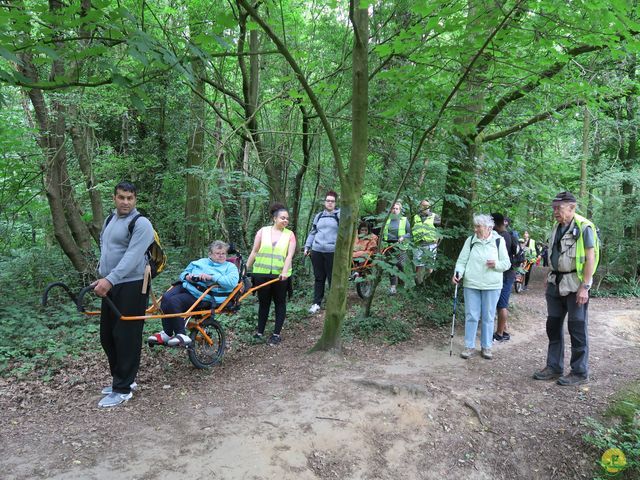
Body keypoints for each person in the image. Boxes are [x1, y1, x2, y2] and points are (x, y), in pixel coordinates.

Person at [94, 181, 155, 408]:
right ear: (114, 198)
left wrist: (109, 279)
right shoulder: (110, 220)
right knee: (107, 336)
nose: (125, 202)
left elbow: (132, 257)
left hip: (132, 284)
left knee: (126, 336)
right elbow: (107, 248)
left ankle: (123, 388)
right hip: (112, 284)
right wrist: (102, 275)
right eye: (121, 197)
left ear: (135, 199)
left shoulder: (142, 223)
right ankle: (121, 379)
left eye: (130, 198)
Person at [533, 191, 598, 386]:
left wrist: (585, 286)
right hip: (555, 283)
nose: (555, 212)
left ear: (572, 208)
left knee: (577, 328)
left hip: (575, 284)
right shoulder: (557, 227)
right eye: (553, 208)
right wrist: (549, 274)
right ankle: (554, 367)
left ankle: (579, 372)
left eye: (558, 208)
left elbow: (590, 258)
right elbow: (555, 253)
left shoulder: (585, 227)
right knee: (552, 326)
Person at [149, 241, 239, 347]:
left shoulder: (230, 267)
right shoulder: (200, 262)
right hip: (188, 285)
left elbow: (232, 283)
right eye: (217, 253)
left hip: (204, 294)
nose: (221, 256)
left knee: (174, 301)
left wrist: (211, 277)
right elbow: (183, 273)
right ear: (210, 254)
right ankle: (167, 334)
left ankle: (181, 334)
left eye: (223, 253)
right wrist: (187, 276)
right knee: (166, 297)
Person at [452, 214, 511, 360]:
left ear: (488, 227)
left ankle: (486, 346)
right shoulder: (471, 241)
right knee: (471, 315)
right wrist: (458, 273)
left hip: (492, 285)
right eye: (475, 226)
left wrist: (496, 265)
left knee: (488, 316)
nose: (475, 229)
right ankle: (469, 346)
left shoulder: (498, 241)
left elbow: (506, 263)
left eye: (478, 226)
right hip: (471, 283)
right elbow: (461, 261)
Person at [246, 203, 297, 345]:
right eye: (282, 218)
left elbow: (289, 255)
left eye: (287, 218)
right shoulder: (263, 231)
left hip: (280, 276)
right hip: (261, 274)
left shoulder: (289, 235)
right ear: (274, 218)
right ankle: (259, 332)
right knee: (264, 303)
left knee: (280, 303)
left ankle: (276, 334)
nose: (285, 221)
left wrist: (285, 272)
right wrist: (245, 269)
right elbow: (254, 252)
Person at [304, 191, 340, 314]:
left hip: (332, 252)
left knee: (332, 278)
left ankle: (333, 303)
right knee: (319, 278)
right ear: (325, 202)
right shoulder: (319, 216)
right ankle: (316, 303)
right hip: (317, 251)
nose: (330, 203)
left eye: (332, 201)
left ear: (335, 203)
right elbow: (313, 232)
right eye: (328, 200)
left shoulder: (339, 215)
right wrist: (307, 246)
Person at [491, 213, 517, 342]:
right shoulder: (509, 235)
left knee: (502, 305)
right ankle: (505, 330)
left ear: (495, 224)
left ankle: (500, 334)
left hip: (505, 274)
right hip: (508, 274)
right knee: (501, 304)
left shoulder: (502, 238)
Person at [382, 201, 411, 294]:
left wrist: (403, 237)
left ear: (400, 210)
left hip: (401, 246)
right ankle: (393, 287)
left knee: (400, 265)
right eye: (393, 208)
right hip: (389, 246)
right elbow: (382, 233)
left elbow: (409, 233)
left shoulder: (404, 220)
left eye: (396, 208)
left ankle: (402, 284)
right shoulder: (387, 220)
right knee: (391, 266)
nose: (394, 210)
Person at [412, 199, 441, 283]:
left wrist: (438, 237)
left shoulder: (434, 216)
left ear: (429, 207)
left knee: (430, 267)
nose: (425, 207)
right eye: (423, 205)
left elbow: (442, 228)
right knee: (418, 266)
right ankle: (419, 284)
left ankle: (428, 283)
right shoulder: (415, 216)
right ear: (420, 206)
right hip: (418, 245)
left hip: (431, 245)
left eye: (427, 206)